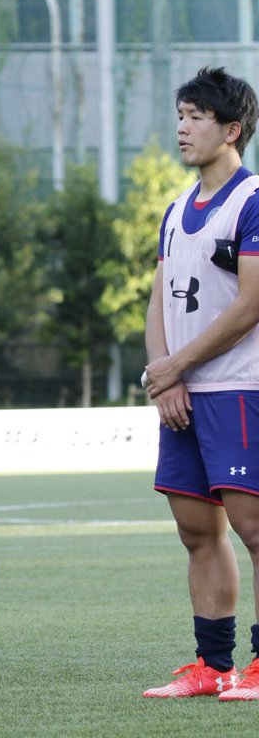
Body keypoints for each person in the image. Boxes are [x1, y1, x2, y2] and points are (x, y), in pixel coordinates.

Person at [141, 66, 259, 700]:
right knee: (197, 530)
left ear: (232, 129)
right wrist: (164, 377)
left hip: (242, 388)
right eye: (180, 114)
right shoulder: (175, 208)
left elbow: (251, 303)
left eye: (196, 117)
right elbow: (160, 298)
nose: (182, 127)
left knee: (255, 528)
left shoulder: (254, 200)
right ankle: (213, 667)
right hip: (182, 394)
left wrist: (179, 366)